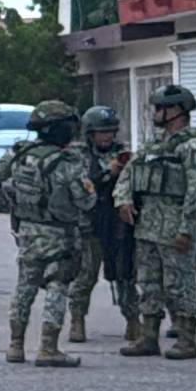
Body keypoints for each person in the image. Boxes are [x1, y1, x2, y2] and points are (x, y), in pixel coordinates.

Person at [0, 101, 97, 367]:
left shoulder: (21, 154)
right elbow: (86, 201)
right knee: (57, 286)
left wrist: (10, 206)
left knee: (24, 287)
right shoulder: (68, 162)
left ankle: (15, 345)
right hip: (61, 234)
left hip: (28, 232)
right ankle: (48, 348)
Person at [114, 84, 196, 359]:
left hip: (175, 225)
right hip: (148, 225)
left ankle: (187, 339)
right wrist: (122, 200)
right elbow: (128, 174)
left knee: (179, 283)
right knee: (149, 282)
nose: (155, 113)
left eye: (160, 108)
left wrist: (187, 229)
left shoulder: (194, 147)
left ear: (177, 111)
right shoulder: (155, 145)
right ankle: (149, 336)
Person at [68, 105, 136, 345]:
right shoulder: (78, 156)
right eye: (101, 132)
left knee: (124, 274)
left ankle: (133, 320)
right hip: (90, 224)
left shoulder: (122, 153)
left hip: (117, 224)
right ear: (90, 133)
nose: (107, 136)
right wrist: (108, 172)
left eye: (111, 131)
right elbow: (81, 186)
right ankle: (77, 319)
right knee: (86, 275)